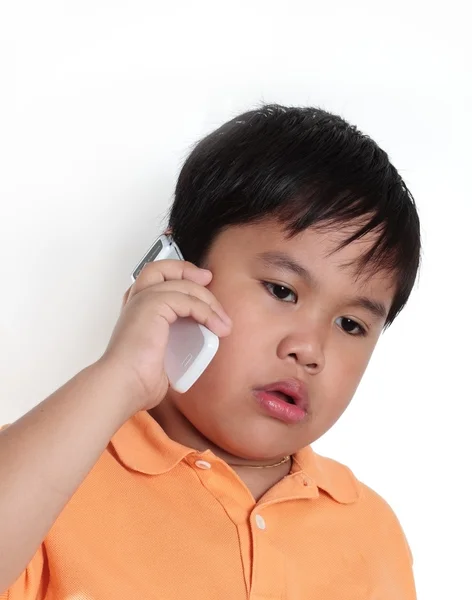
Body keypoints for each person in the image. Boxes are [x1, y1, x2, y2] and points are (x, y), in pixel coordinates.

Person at [0, 104, 420, 599]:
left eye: (351, 324)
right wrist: (117, 378)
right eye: (282, 291)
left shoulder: (370, 531)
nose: (310, 349)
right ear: (177, 270)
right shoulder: (45, 471)